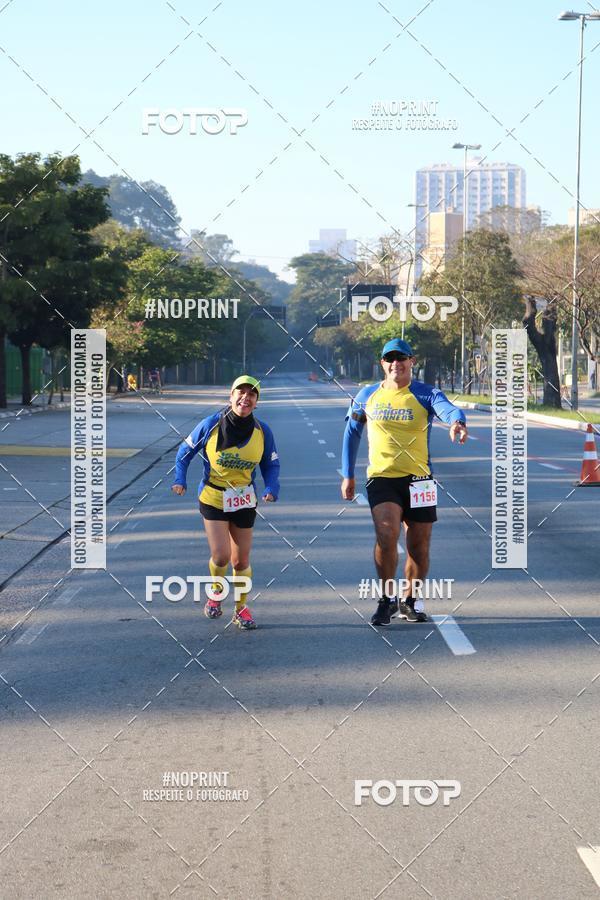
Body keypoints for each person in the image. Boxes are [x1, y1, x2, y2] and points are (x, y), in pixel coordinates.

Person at [340, 339, 468, 626]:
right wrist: (347, 473)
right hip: (382, 477)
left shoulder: (425, 393)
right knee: (386, 536)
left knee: (419, 546)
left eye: (402, 358)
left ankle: (410, 601)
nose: (396, 363)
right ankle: (385, 600)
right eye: (390, 358)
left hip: (420, 480)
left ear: (412, 361)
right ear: (382, 363)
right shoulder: (367, 394)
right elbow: (352, 432)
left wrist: (458, 422)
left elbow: (447, 408)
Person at [172, 376, 280, 630]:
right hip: (213, 496)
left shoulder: (262, 431)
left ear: (257, 401)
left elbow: (271, 464)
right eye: (240, 393)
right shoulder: (211, 424)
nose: (245, 397)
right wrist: (180, 479)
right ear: (230, 397)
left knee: (240, 561)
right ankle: (215, 593)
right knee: (221, 556)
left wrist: (272, 486)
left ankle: (241, 609)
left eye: (251, 394)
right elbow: (184, 453)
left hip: (244, 499)